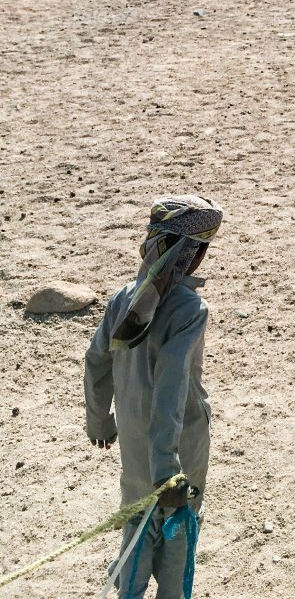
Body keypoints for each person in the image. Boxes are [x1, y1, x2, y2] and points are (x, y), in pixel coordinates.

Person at [85, 194, 223, 599]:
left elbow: (95, 360)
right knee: (178, 530)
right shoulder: (190, 308)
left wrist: (100, 420)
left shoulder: (123, 298)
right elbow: (171, 385)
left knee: (138, 523)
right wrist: (167, 468)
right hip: (178, 446)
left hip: (132, 439)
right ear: (193, 255)